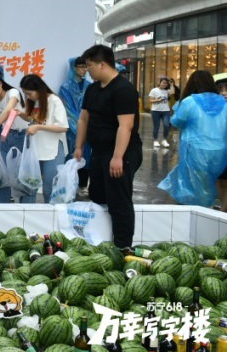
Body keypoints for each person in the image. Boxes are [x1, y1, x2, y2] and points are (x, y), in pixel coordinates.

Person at [73, 44, 143, 250]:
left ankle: (123, 248)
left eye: (89, 66)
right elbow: (83, 119)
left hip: (122, 152)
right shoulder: (93, 88)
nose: (87, 70)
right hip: (99, 152)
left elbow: (126, 125)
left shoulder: (124, 89)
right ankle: (101, 242)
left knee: (118, 201)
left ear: (102, 64)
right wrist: (78, 147)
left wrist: (117, 157)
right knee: (97, 196)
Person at [158, 70, 227, 207]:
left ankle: (200, 211)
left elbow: (176, 122)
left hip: (196, 150)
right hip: (219, 152)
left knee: (197, 185)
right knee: (210, 182)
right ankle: (210, 208)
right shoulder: (222, 102)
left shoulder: (189, 101)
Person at [0, 68, 33, 203]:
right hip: (4, 137)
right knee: (2, 175)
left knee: (23, 174)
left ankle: (27, 209)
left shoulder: (13, 93)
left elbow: (8, 110)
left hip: (21, 136)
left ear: (0, 84)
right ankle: (1, 208)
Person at [18, 74, 68, 202]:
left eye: (29, 93)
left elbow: (63, 127)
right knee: (30, 185)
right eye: (26, 94)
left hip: (53, 149)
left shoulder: (54, 101)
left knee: (49, 188)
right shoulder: (34, 101)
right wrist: (21, 115)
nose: (28, 97)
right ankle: (27, 217)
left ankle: (51, 219)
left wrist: (38, 127)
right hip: (36, 149)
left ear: (39, 89)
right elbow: (33, 119)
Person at [58, 56, 91, 194]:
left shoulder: (89, 85)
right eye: (81, 66)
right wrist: (78, 125)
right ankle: (71, 184)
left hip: (89, 127)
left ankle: (83, 185)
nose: (84, 69)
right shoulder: (65, 87)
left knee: (87, 156)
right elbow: (66, 109)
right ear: (73, 67)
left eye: (86, 66)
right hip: (72, 130)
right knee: (72, 156)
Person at [148, 77, 173, 148]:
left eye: (166, 83)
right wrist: (157, 100)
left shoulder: (167, 91)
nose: (164, 84)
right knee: (156, 126)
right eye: (163, 82)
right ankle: (155, 140)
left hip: (166, 111)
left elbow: (173, 92)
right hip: (156, 110)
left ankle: (164, 140)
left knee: (166, 125)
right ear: (159, 82)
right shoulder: (154, 90)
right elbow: (150, 100)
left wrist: (171, 85)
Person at [216, 78, 227, 210]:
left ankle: (223, 211)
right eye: (220, 90)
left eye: (226, 89)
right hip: (217, 150)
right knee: (218, 180)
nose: (224, 93)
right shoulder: (214, 109)